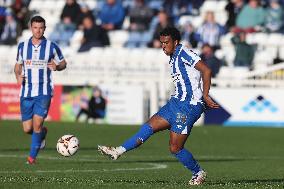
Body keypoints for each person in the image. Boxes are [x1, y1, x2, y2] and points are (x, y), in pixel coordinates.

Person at [98, 27, 219, 186]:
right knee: (148, 127)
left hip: (188, 106)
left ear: (175, 42)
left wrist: (205, 95)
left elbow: (206, 70)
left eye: (166, 43)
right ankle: (117, 151)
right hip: (175, 103)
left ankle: (198, 172)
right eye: (161, 43)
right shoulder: (173, 55)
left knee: (175, 148)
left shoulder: (183, 52)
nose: (163, 46)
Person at [14, 16, 67, 164]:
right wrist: (18, 76)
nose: (38, 30)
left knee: (37, 124)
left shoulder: (52, 46)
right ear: (31, 28)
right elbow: (17, 65)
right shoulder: (22, 46)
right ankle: (42, 134)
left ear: (45, 28)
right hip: (26, 93)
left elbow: (63, 63)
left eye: (41, 27)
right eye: (35, 27)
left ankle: (32, 158)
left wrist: (57, 67)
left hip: (44, 92)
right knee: (27, 129)